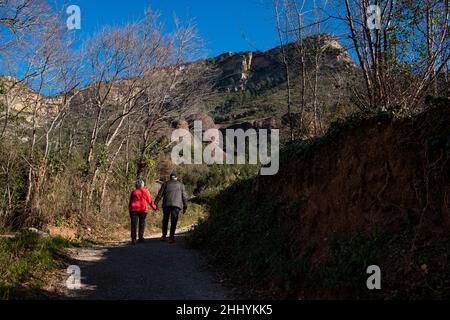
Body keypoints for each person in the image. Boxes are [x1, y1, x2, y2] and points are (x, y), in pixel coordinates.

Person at [155, 172, 187, 244]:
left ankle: (164, 236)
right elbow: (184, 197)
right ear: (176, 178)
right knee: (174, 221)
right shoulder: (181, 185)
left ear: (170, 177)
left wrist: (155, 203)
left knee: (165, 220)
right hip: (177, 205)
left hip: (166, 204)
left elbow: (160, 195)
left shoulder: (165, 184)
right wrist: (185, 206)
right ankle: (171, 238)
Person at [128, 179, 157, 245]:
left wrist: (130, 209)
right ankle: (140, 238)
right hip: (142, 209)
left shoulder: (134, 192)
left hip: (133, 209)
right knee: (141, 223)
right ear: (142, 185)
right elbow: (150, 200)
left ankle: (133, 239)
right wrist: (154, 207)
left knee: (133, 224)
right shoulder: (145, 191)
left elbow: (130, 202)